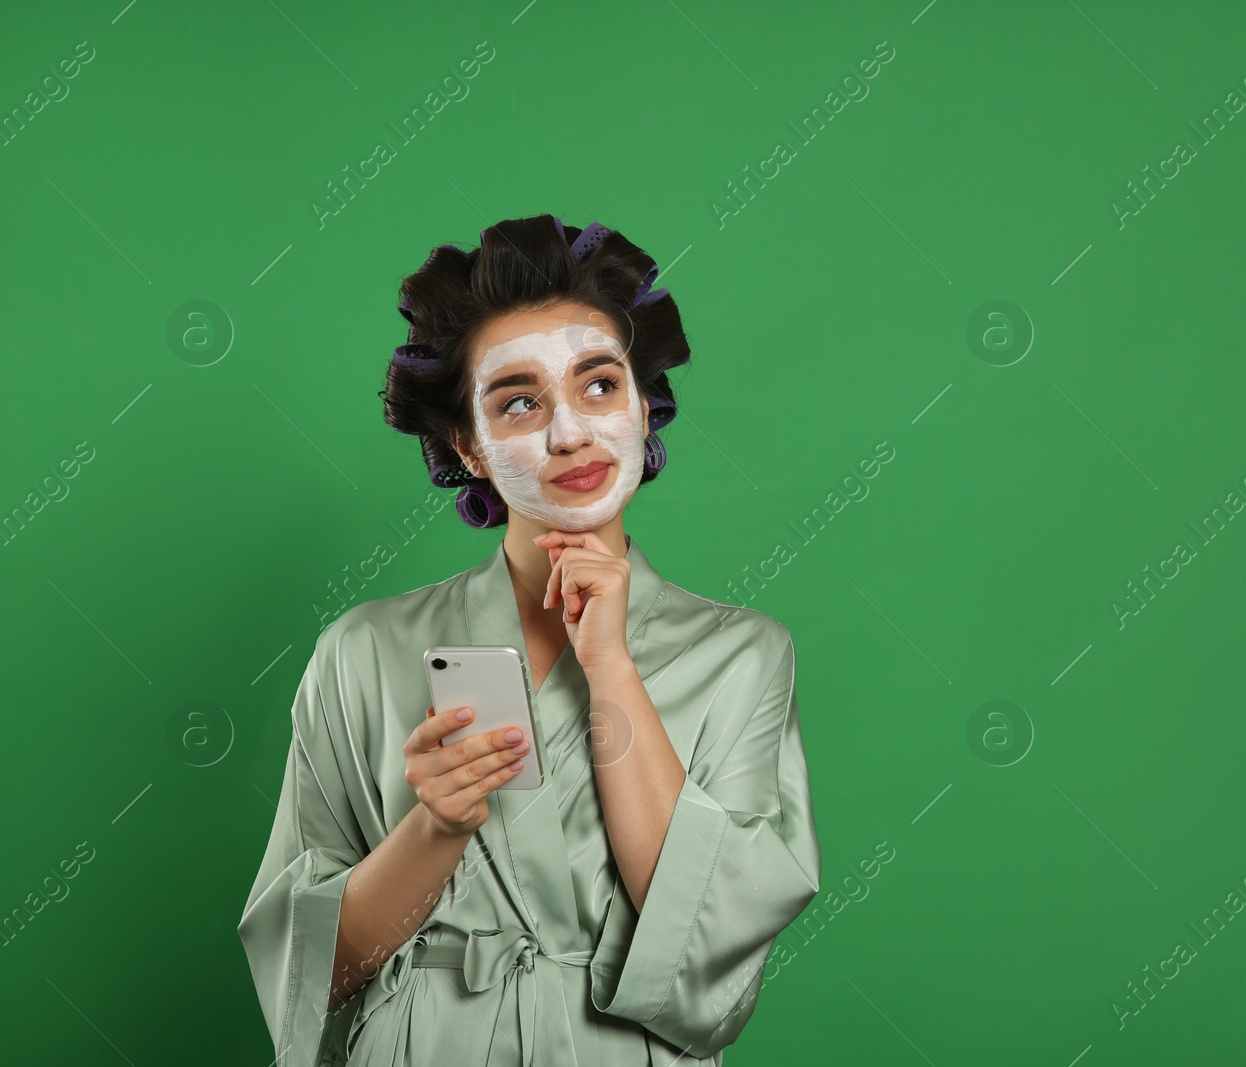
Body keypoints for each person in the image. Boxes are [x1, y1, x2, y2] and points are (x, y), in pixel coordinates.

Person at [237, 215, 822, 1066]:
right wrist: (435, 825)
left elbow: (707, 958)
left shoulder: (742, 655)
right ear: (468, 446)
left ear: (642, 405)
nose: (569, 433)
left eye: (598, 385)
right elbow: (308, 974)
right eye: (519, 401)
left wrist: (613, 669)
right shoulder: (362, 650)